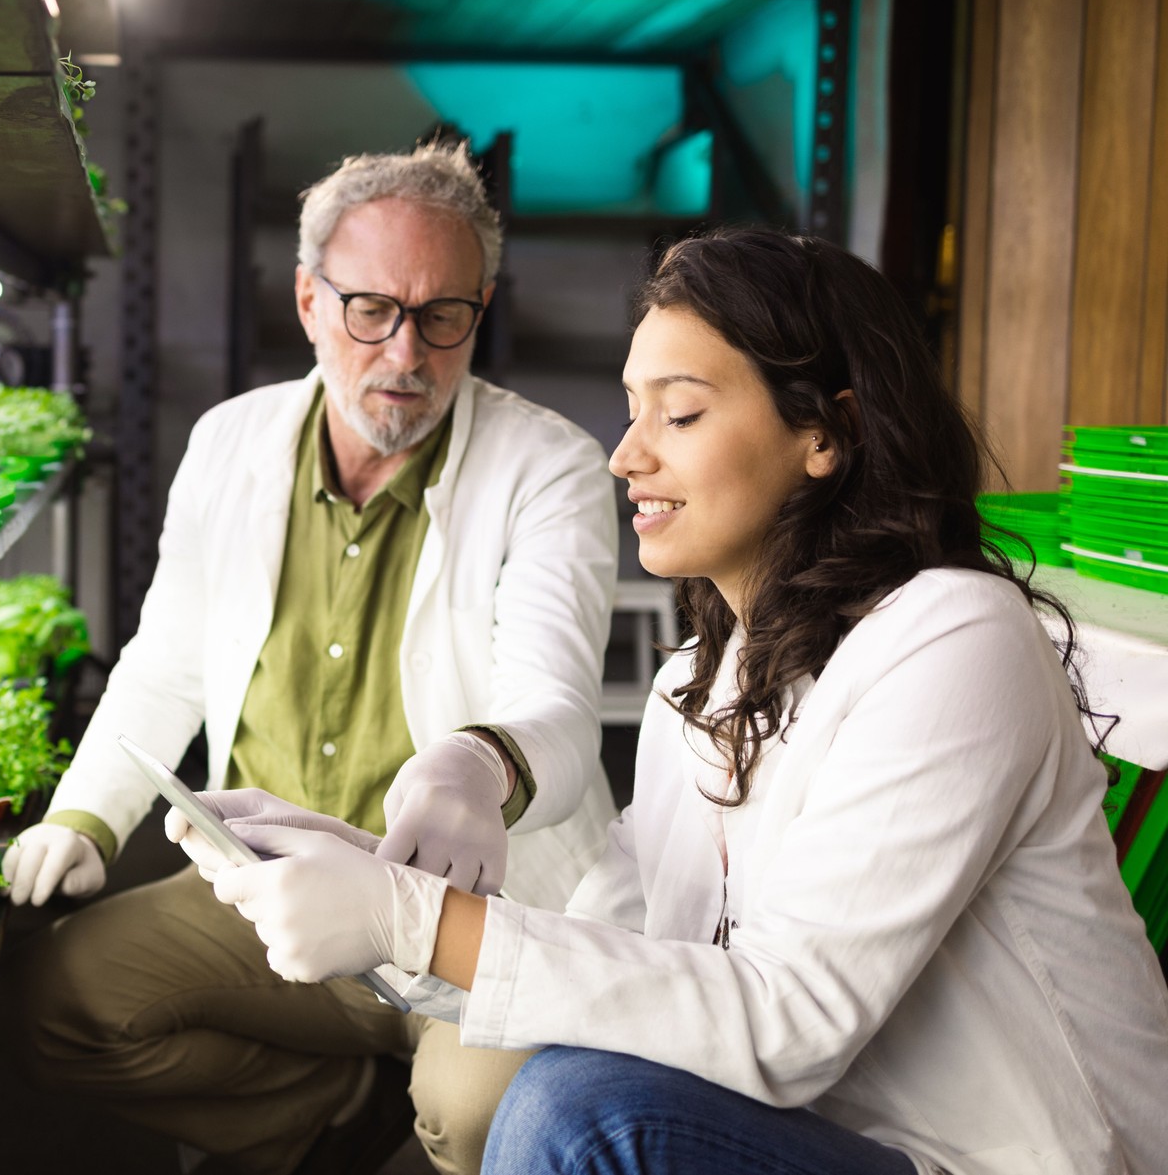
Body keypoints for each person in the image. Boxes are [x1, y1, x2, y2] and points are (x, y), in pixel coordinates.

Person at [172, 228, 1168, 1174]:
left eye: (679, 414)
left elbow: (793, 1021)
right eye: (633, 408)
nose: (627, 455)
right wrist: (362, 877)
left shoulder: (954, 638)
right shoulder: (699, 683)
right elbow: (617, 967)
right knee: (567, 1078)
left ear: (829, 430)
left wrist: (412, 916)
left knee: (579, 1114)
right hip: (820, 1140)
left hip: (1001, 1158)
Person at [1, 140, 621, 1174]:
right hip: (271, 888)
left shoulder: (546, 467)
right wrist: (85, 813)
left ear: (483, 307)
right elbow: (169, 662)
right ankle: (331, 1111)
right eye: (370, 309)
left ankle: (407, 1119)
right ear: (307, 300)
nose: (407, 355)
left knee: (480, 1122)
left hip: (471, 915)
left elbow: (555, 707)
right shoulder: (230, 444)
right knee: (56, 1008)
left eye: (442, 316)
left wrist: (481, 768)